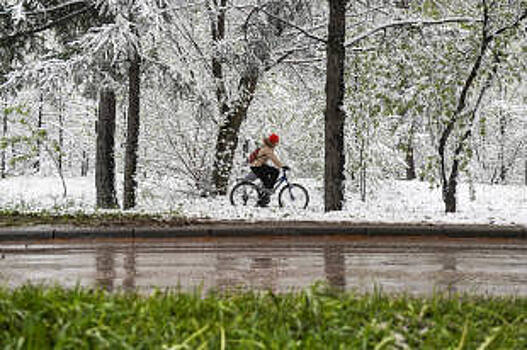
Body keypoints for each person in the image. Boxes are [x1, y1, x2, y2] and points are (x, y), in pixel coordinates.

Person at [249, 133, 288, 207]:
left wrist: (280, 166)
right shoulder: (267, 149)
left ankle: (266, 193)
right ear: (273, 142)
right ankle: (264, 197)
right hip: (257, 167)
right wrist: (282, 166)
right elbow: (274, 159)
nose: (277, 144)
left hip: (259, 165)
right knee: (273, 174)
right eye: (276, 142)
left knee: (274, 172)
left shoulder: (268, 147)